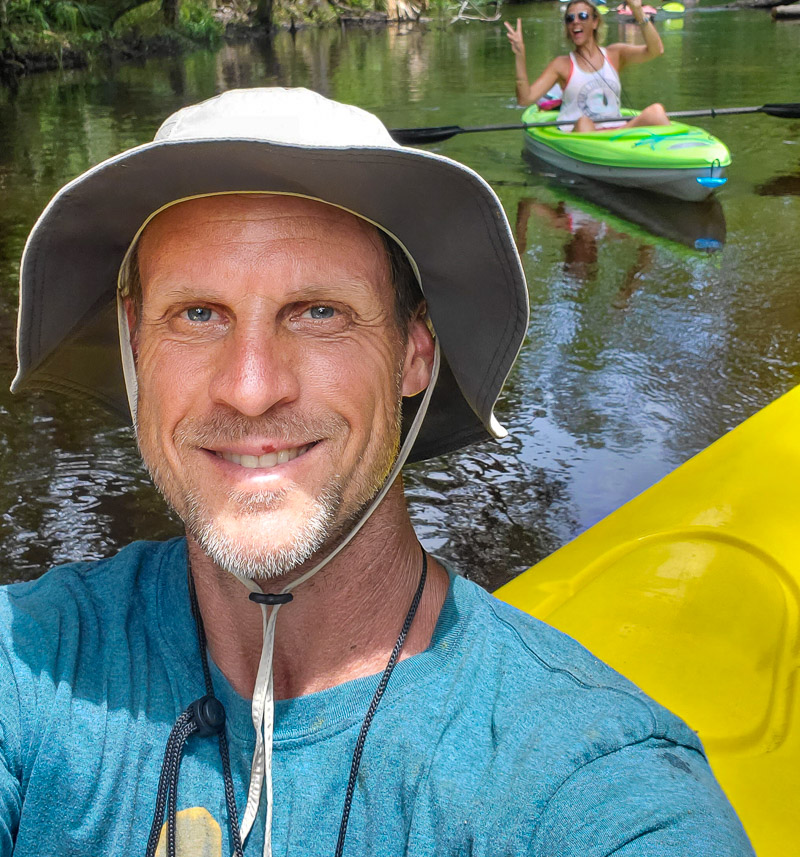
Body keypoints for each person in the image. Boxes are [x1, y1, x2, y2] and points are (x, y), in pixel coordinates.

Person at [0, 87, 754, 856]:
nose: (252, 387)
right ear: (135, 346)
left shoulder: (582, 781)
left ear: (415, 351)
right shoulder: (28, 663)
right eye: (197, 314)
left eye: (318, 311)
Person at [505, 0, 670, 132]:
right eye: (570, 19)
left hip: (617, 132)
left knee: (656, 111)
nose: (576, 21)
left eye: (583, 16)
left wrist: (637, 10)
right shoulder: (561, 64)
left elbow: (656, 50)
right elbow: (525, 99)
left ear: (595, 22)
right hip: (581, 135)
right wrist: (520, 56)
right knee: (584, 123)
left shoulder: (615, 54)